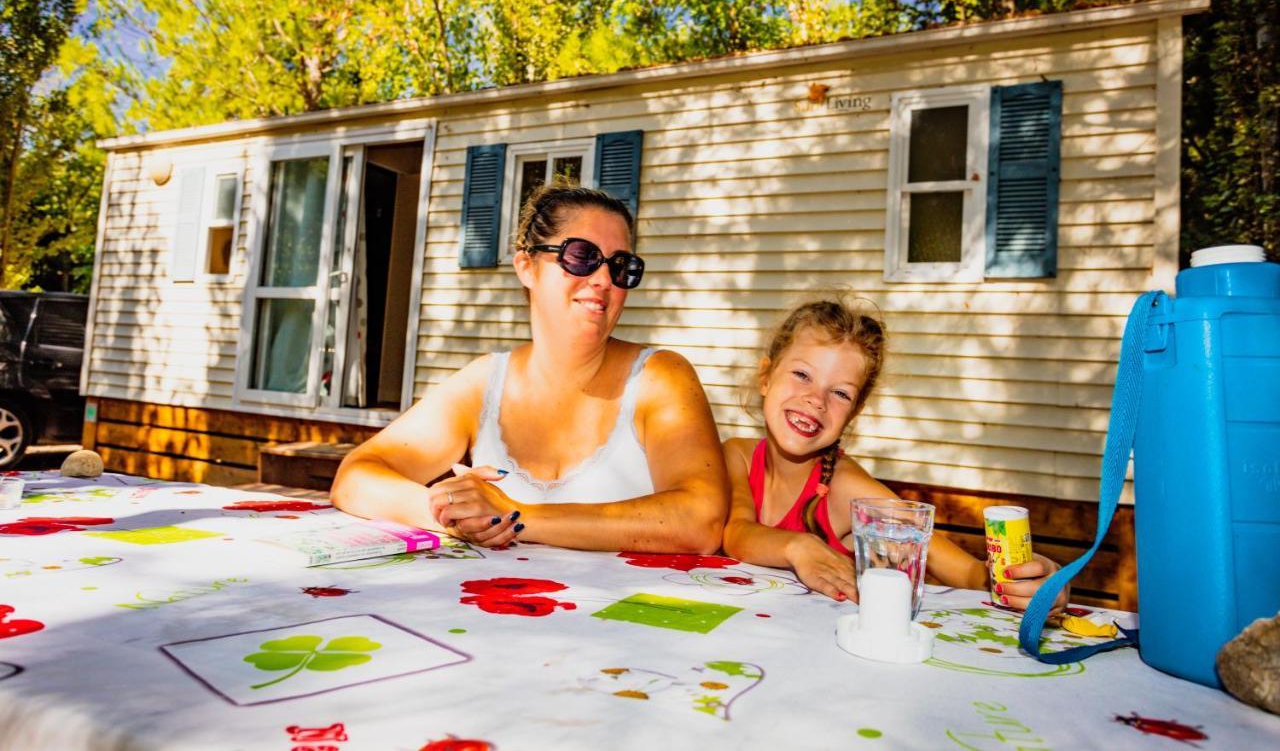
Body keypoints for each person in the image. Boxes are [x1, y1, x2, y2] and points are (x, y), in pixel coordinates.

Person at [330, 184, 728, 553]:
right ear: (526, 266)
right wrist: (454, 512)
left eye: (621, 266)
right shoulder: (484, 383)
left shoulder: (659, 378)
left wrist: (516, 516)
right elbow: (355, 478)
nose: (604, 279)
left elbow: (700, 520)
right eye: (581, 256)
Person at [722, 298, 1068, 612]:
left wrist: (1028, 582)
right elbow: (737, 532)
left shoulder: (846, 488)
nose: (817, 399)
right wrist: (799, 547)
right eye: (802, 375)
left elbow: (967, 572)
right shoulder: (737, 455)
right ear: (765, 377)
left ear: (853, 414)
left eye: (840, 393)